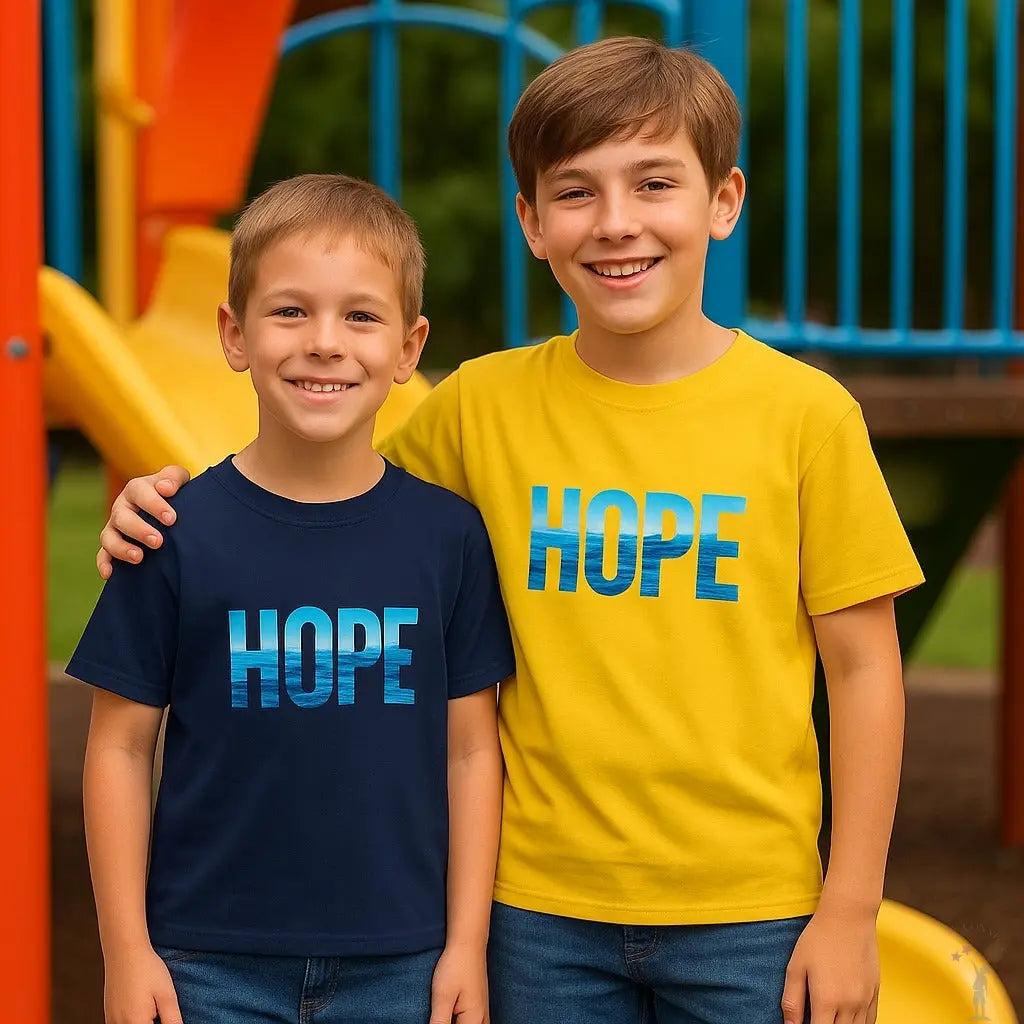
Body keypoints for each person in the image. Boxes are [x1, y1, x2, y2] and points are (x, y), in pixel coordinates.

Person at [95, 37, 923, 1024]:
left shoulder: (805, 418)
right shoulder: (476, 410)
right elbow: (315, 492)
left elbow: (865, 669)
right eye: (575, 194)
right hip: (533, 909)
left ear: (722, 200)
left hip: (751, 907)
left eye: (653, 183)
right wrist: (162, 503)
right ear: (531, 221)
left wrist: (851, 904)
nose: (616, 224)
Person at [71, 173, 514, 1024]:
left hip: (405, 962)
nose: (324, 342)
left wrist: (465, 945)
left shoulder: (449, 539)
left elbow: (470, 752)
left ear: (410, 347)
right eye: (289, 312)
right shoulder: (169, 533)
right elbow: (120, 750)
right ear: (234, 336)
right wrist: (127, 953)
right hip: (205, 962)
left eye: (360, 315)